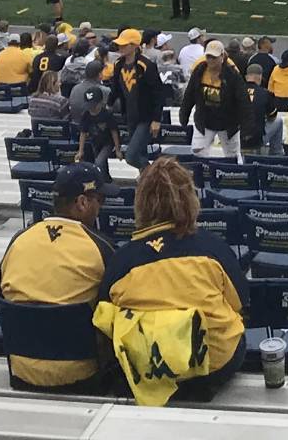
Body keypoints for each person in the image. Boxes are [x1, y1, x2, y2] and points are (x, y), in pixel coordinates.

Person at [101, 158, 249, 403]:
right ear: (190, 199)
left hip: (147, 368)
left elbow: (105, 315)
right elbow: (240, 302)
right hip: (212, 369)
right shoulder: (213, 249)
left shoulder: (122, 261)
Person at [0, 164, 120, 389]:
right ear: (82, 202)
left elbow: (1, 295)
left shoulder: (19, 240)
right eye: (99, 200)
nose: (100, 208)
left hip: (22, 370)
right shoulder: (101, 247)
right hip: (81, 375)